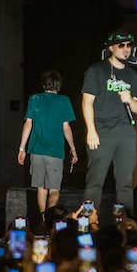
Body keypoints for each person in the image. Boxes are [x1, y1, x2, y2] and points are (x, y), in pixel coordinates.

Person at [82, 32, 137, 215]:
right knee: (95, 180)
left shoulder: (132, 76)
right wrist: (91, 131)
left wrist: (130, 99)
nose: (126, 49)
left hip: (125, 131)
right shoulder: (96, 71)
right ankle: (89, 220)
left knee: (125, 182)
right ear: (111, 48)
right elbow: (87, 102)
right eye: (121, 45)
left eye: (129, 46)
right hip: (102, 131)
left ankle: (126, 223)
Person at [17, 70, 79, 217]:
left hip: (36, 150)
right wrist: (73, 149)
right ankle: (51, 223)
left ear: (44, 84)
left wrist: (21, 148)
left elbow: (28, 124)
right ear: (59, 84)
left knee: (41, 189)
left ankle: (44, 220)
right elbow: (66, 128)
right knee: (54, 190)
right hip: (55, 152)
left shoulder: (35, 99)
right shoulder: (64, 101)